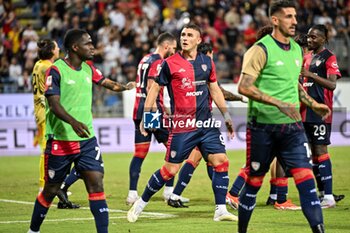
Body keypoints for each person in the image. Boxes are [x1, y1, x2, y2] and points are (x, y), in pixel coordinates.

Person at [27, 29, 135, 233]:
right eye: (89, 43)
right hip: (61, 140)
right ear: (75, 47)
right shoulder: (56, 70)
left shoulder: (89, 68)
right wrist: (73, 122)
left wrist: (125, 87)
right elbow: (54, 103)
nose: (93, 47)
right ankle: (33, 231)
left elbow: (107, 83)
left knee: (96, 185)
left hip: (87, 141)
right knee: (50, 190)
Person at [236, 1, 331, 232]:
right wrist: (279, 104)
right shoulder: (260, 49)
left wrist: (313, 103)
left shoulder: (298, 51)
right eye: (289, 16)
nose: (295, 21)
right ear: (275, 20)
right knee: (254, 182)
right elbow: (244, 87)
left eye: (295, 16)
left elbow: (295, 85)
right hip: (262, 128)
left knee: (306, 181)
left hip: (292, 128)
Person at [127, 23, 237, 222]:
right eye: (183, 34)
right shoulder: (169, 63)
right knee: (170, 170)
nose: (184, 38)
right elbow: (154, 89)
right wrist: (148, 116)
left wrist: (227, 116)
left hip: (206, 124)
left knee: (221, 161)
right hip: (182, 125)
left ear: (198, 40)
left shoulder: (207, 62)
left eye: (189, 35)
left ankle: (220, 209)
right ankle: (141, 203)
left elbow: (215, 90)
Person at [168, 42, 246, 207]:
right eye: (211, 55)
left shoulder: (204, 70)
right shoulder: (202, 70)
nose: (212, 59)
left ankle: (177, 195)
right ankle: (222, 197)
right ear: (207, 54)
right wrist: (240, 98)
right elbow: (221, 92)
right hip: (197, 123)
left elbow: (219, 92)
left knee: (208, 161)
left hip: (200, 121)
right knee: (205, 161)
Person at [126, 32, 182, 206]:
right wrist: (155, 113)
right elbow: (152, 87)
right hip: (152, 111)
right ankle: (169, 192)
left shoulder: (145, 59)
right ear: (166, 46)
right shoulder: (159, 61)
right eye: (173, 48)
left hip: (139, 108)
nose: (174, 51)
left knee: (140, 154)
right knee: (174, 150)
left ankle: (132, 194)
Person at [32, 38, 80, 209]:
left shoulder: (38, 64)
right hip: (46, 111)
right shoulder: (49, 67)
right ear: (52, 51)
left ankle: (54, 184)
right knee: (47, 151)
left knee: (47, 149)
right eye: (57, 48)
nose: (59, 49)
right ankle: (44, 185)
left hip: (38, 109)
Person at [301, 24, 343, 208]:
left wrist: (310, 75)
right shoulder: (306, 57)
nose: (310, 40)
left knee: (321, 152)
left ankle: (328, 197)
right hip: (303, 112)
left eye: (314, 37)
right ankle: (322, 194)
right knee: (310, 155)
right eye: (309, 36)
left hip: (320, 112)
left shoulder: (329, 57)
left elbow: (332, 85)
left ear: (324, 39)